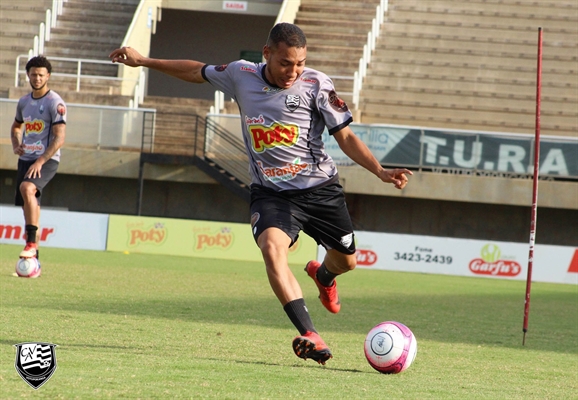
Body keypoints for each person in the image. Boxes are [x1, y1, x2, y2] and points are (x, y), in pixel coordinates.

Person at [109, 23, 412, 365]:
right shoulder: (241, 75)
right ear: (266, 54)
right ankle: (309, 333)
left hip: (321, 189)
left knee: (347, 261)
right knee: (272, 248)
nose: (293, 71)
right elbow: (196, 71)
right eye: (286, 63)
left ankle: (323, 274)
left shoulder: (316, 84)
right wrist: (144, 61)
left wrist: (381, 171)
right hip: (272, 194)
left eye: (299, 63)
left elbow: (345, 137)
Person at [10, 56, 67, 273]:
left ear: (48, 76)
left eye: (41, 75)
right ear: (28, 75)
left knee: (27, 188)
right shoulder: (24, 102)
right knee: (29, 206)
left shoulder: (55, 103)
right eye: (34, 74)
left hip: (47, 160)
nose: (37, 78)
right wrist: (16, 144)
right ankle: (36, 262)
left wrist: (41, 161)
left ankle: (31, 244)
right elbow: (16, 127)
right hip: (26, 160)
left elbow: (59, 138)